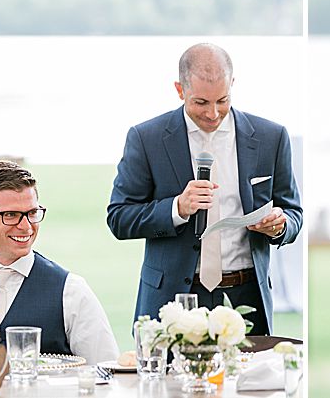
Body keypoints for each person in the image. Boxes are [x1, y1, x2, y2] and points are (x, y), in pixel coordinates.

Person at [107, 43, 302, 335]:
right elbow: (119, 218)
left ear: (232, 84)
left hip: (247, 296)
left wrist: (280, 226)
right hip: (172, 300)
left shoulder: (271, 137)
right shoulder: (146, 138)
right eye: (201, 102)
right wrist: (176, 208)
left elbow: (293, 212)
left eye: (222, 100)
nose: (213, 113)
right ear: (180, 89)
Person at [0, 161, 117, 362]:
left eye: (32, 213)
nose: (26, 226)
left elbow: (104, 370)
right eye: (11, 215)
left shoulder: (71, 291)